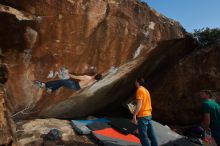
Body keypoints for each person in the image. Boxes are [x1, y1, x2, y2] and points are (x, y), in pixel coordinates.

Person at [133, 78, 158, 146]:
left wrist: (134, 115)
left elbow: (139, 104)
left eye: (135, 81)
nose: (134, 83)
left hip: (143, 116)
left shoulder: (139, 90)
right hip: (148, 114)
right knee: (151, 134)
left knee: (142, 136)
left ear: (138, 82)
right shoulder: (146, 90)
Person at [33, 73, 102, 92]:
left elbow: (76, 77)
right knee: (62, 84)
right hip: (77, 88)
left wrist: (68, 74)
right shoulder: (93, 82)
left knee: (61, 81)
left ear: (95, 75)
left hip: (75, 85)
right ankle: (52, 89)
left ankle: (43, 85)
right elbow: (84, 86)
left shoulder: (87, 77)